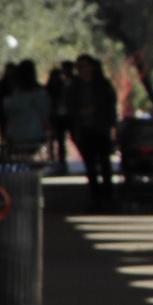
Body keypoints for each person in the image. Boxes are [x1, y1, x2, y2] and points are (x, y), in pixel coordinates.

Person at [65, 53, 119, 209]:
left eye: (83, 65)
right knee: (90, 165)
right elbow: (70, 106)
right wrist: (79, 114)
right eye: (78, 66)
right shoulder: (74, 87)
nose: (80, 69)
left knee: (104, 163)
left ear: (92, 67)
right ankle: (95, 196)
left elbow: (110, 106)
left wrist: (108, 123)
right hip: (84, 129)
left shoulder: (102, 85)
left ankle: (108, 195)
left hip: (100, 128)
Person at [0, 60, 52, 158]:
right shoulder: (39, 94)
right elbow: (44, 115)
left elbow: (5, 112)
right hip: (34, 134)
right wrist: (48, 133)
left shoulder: (11, 96)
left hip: (14, 135)